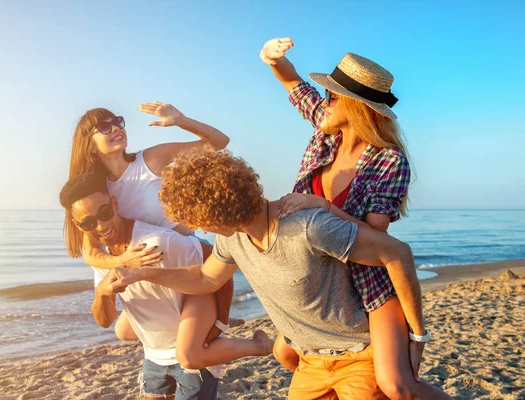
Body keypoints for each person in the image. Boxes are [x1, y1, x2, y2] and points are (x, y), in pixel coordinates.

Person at [106, 149, 446, 399]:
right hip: (310, 363)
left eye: (197, 218)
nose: (196, 226)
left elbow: (397, 253)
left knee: (404, 391)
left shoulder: (307, 227)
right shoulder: (233, 239)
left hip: (358, 355)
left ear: (217, 211)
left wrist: (418, 336)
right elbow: (204, 279)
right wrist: (144, 274)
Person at [260, 38, 452, 399]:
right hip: (315, 278)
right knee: (283, 352)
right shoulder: (326, 133)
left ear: (356, 105)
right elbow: (293, 84)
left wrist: (320, 206)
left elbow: (376, 239)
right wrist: (271, 59)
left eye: (332, 95)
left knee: (397, 385)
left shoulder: (389, 160)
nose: (324, 99)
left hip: (366, 283)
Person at [59, 172, 273, 400]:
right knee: (122, 331)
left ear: (114, 203)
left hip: (195, 355)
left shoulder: (157, 242)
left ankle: (257, 345)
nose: (101, 226)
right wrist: (102, 293)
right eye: (89, 222)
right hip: (153, 357)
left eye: (104, 213)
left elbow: (220, 261)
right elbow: (105, 320)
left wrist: (220, 319)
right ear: (77, 225)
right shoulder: (102, 258)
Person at [65, 102, 239, 345]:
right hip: (151, 268)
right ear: (89, 146)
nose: (115, 128)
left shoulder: (149, 160)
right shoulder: (98, 192)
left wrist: (181, 120)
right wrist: (122, 262)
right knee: (124, 332)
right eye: (104, 127)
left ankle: (216, 322)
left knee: (193, 346)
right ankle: (193, 323)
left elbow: (218, 143)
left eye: (118, 122)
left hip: (185, 256)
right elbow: (92, 254)